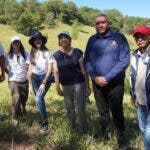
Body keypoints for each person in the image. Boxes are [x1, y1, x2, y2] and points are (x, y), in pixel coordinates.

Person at [84, 14, 130, 149]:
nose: (100, 25)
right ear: (95, 25)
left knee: (117, 111)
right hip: (97, 83)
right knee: (102, 112)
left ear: (107, 23)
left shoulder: (118, 38)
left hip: (115, 83)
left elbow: (124, 61)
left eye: (103, 22)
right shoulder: (92, 40)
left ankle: (121, 140)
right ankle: (105, 134)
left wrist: (107, 77)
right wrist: (94, 76)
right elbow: (87, 60)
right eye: (97, 23)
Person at [54, 31, 91, 135]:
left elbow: (84, 70)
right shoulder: (56, 55)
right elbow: (56, 72)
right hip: (65, 85)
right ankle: (72, 130)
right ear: (59, 41)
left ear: (70, 39)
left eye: (66, 37)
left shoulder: (77, 52)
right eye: (61, 38)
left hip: (79, 84)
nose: (63, 39)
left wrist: (88, 87)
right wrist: (57, 87)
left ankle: (84, 132)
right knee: (70, 109)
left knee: (80, 109)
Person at [28, 31, 54, 134]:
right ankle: (43, 117)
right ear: (33, 42)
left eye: (39, 39)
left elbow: (49, 70)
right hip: (34, 78)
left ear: (42, 40)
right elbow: (30, 69)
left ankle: (45, 123)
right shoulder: (32, 53)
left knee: (38, 99)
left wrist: (44, 82)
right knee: (40, 100)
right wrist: (29, 84)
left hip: (45, 78)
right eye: (35, 39)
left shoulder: (47, 53)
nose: (37, 41)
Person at [130, 26, 150, 150]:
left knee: (148, 134)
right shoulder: (135, 55)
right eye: (137, 37)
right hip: (140, 100)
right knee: (143, 129)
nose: (139, 39)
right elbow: (132, 77)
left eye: (142, 36)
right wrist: (132, 95)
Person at [5, 36, 29, 125]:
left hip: (24, 80)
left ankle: (22, 112)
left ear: (20, 43)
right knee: (16, 98)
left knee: (23, 100)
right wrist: (9, 73)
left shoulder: (25, 54)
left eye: (17, 42)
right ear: (12, 44)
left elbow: (28, 65)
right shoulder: (8, 55)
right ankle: (15, 118)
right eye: (14, 42)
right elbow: (4, 66)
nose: (16, 44)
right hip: (13, 80)